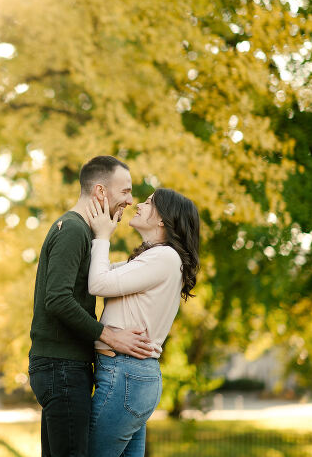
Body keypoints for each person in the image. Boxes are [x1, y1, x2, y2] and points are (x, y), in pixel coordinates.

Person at [28, 156, 159, 457]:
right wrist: (110, 336)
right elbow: (58, 299)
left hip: (62, 366)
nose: (129, 200)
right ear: (101, 192)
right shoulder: (73, 230)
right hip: (61, 368)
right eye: (124, 191)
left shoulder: (83, 233)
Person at [85, 188, 200, 457]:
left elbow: (98, 283)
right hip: (131, 377)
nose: (138, 204)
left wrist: (103, 236)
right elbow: (102, 271)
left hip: (125, 375)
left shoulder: (165, 257)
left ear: (163, 219)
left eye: (149, 203)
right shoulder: (157, 257)